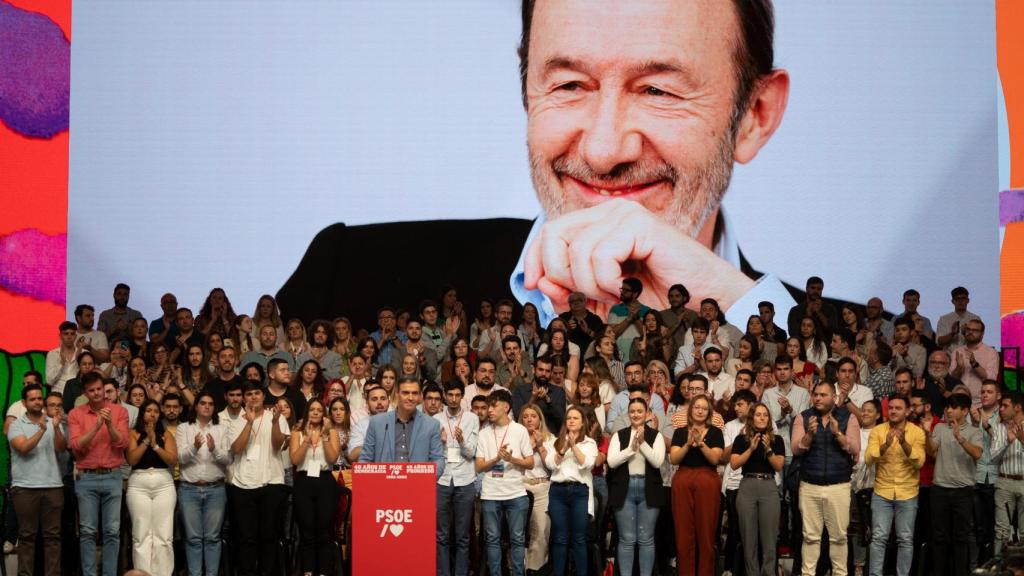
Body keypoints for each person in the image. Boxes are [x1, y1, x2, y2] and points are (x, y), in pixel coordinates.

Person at [791, 381, 861, 576]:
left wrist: (837, 433)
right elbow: (796, 448)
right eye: (815, 395)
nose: (818, 398)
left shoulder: (849, 418)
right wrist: (809, 435)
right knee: (810, 538)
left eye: (823, 395)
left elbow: (855, 449)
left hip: (838, 487)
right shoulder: (803, 418)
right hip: (809, 486)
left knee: (839, 538)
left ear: (834, 398)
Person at [68, 371, 129, 576]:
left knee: (112, 532)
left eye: (99, 389)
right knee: (87, 532)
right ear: (85, 393)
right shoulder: (76, 414)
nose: (96, 393)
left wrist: (109, 423)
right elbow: (76, 446)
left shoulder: (119, 412)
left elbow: (122, 443)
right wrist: (95, 427)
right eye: (91, 390)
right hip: (86, 477)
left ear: (104, 388)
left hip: (112, 475)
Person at [229, 381, 290, 576]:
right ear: (244, 398)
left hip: (272, 482)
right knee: (247, 537)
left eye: (257, 393)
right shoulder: (236, 420)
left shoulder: (277, 417)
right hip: (243, 483)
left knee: (268, 535)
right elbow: (237, 449)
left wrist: (274, 423)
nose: (253, 397)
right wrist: (249, 421)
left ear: (264, 396)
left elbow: (277, 445)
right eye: (249, 394)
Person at [7, 383, 66, 576]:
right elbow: (23, 448)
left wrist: (56, 429)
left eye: (40, 398)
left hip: (53, 486)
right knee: (26, 537)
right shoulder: (16, 425)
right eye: (32, 399)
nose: (37, 402)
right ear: (24, 402)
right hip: (25, 488)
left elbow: (61, 448)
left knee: (53, 537)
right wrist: (41, 430)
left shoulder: (52, 422)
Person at [864, 395, 926, 576]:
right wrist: (886, 445)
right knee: (878, 538)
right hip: (882, 493)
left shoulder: (916, 432)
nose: (893, 411)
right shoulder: (878, 431)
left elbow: (919, 462)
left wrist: (904, 443)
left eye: (898, 408)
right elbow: (868, 459)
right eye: (890, 407)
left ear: (907, 411)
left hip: (907, 494)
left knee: (905, 540)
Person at [475, 389, 534, 576]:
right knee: (492, 539)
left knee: (518, 539)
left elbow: (530, 462)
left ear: (506, 407)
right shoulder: (484, 433)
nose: (488, 410)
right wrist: (496, 459)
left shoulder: (520, 430)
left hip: (515, 493)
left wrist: (512, 459)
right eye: (487, 406)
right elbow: (479, 467)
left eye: (493, 406)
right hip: (490, 493)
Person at [606, 397, 666, 576]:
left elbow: (657, 462)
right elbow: (611, 461)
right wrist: (632, 449)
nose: (636, 414)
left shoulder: (656, 435)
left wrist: (643, 443)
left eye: (640, 411)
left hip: (649, 489)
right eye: (632, 411)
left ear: (647, 413)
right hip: (625, 489)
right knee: (626, 539)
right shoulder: (619, 435)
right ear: (628, 413)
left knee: (646, 539)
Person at [175, 390, 231, 576]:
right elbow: (180, 459)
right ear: (196, 406)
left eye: (210, 404)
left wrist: (214, 449)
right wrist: (194, 447)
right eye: (203, 403)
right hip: (189, 489)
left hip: (215, 488)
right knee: (193, 538)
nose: (207, 406)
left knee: (213, 537)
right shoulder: (184, 428)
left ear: (214, 408)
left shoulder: (221, 429)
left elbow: (228, 460)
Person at [926, 393, 983, 576]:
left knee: (961, 537)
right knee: (939, 537)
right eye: (947, 407)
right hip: (940, 489)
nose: (949, 410)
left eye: (954, 407)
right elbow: (931, 450)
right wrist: (928, 433)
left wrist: (960, 438)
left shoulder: (975, 431)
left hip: (963, 491)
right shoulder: (941, 428)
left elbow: (977, 454)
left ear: (965, 411)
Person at [670, 394, 724, 576]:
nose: (700, 410)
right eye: (696, 407)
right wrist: (687, 444)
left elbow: (715, 458)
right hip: (683, 480)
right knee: (683, 535)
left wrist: (700, 443)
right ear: (690, 410)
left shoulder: (715, 432)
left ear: (708, 412)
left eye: (704, 408)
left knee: (706, 533)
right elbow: (674, 458)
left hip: (707, 481)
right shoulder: (679, 432)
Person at [730, 401, 785, 576]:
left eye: (765, 415)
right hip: (747, 486)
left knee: (769, 540)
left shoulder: (777, 440)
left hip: (769, 487)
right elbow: (734, 464)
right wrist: (751, 448)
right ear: (752, 418)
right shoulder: (741, 439)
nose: (762, 417)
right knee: (748, 539)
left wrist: (768, 449)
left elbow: (778, 466)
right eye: (758, 414)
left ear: (769, 419)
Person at [125, 398, 178, 576]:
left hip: (163, 483)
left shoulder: (166, 435)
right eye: (149, 410)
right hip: (139, 484)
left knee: (164, 536)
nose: (153, 414)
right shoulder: (133, 433)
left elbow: (172, 460)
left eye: (156, 411)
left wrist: (155, 445)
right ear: (142, 414)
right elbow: (132, 460)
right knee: (141, 535)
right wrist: (147, 440)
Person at [544, 405, 599, 576]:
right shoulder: (555, 442)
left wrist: (574, 446)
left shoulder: (590, 443)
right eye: (569, 418)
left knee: (579, 539)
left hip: (579, 493)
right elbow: (551, 464)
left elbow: (588, 464)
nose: (572, 421)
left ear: (583, 423)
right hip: (558, 493)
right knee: (560, 539)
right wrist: (564, 447)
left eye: (575, 418)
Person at [289, 398, 341, 576]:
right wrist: (307, 440)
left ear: (324, 413)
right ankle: (308, 571)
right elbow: (295, 460)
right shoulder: (297, 431)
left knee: (325, 530)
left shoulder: (331, 432)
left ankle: (324, 571)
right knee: (307, 530)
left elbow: (333, 459)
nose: (316, 412)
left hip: (325, 481)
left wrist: (325, 437)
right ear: (307, 411)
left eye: (320, 410)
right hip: (304, 482)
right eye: (312, 409)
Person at [434, 381, 479, 576]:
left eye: (457, 395)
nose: (453, 399)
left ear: (462, 396)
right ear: (444, 395)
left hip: (465, 479)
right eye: (449, 394)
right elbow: (431, 452)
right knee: (441, 535)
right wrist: (440, 441)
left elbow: (471, 454)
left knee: (462, 536)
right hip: (442, 479)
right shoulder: (435, 419)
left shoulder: (472, 419)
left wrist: (460, 440)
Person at [357, 377, 445, 473]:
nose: (410, 398)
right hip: (384, 484)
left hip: (417, 484)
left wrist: (424, 479)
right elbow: (365, 459)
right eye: (405, 393)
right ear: (397, 394)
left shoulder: (432, 425)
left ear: (420, 396)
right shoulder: (377, 422)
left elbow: (438, 460)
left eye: (415, 393)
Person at [970, 379, 1004, 566]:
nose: (984, 395)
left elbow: (1003, 443)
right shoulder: (973, 414)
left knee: (995, 526)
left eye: (989, 392)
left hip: (996, 476)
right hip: (975, 475)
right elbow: (968, 442)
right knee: (976, 526)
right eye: (982, 391)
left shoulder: (1004, 415)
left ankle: (993, 564)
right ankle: (977, 565)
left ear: (998, 396)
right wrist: (976, 424)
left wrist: (985, 425)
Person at [993, 393, 1024, 556]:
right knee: (1001, 532)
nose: (1001, 409)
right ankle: (998, 569)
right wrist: (1008, 442)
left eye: (1005, 406)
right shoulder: (999, 428)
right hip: (1004, 482)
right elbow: (993, 458)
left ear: (1017, 407)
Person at [949, 318, 999, 408]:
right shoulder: (957, 351)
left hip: (981, 403)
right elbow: (952, 379)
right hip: (960, 402)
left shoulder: (990, 352)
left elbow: (991, 380)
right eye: (968, 329)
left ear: (982, 334)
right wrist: (959, 368)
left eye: (975, 330)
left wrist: (975, 365)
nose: (970, 332)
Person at [511, 355, 566, 431]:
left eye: (547, 371)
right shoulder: (520, 390)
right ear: (533, 370)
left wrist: (548, 401)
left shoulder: (558, 392)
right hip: (526, 437)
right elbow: (518, 417)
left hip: (550, 438)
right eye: (540, 370)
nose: (544, 374)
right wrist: (533, 398)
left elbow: (562, 420)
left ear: (551, 373)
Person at [936, 287, 980, 352]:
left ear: (968, 300)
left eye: (963, 298)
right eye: (957, 299)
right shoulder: (944, 319)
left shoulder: (975, 318)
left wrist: (966, 334)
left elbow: (978, 341)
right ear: (952, 301)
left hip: (969, 357)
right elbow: (939, 342)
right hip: (949, 358)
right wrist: (952, 334)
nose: (960, 301)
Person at [45, 320, 80, 394]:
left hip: (78, 395)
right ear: (60, 335)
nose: (69, 337)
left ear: (76, 336)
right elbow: (49, 381)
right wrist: (61, 363)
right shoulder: (52, 354)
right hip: (58, 395)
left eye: (72, 334)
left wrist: (79, 360)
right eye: (66, 334)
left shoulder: (83, 353)